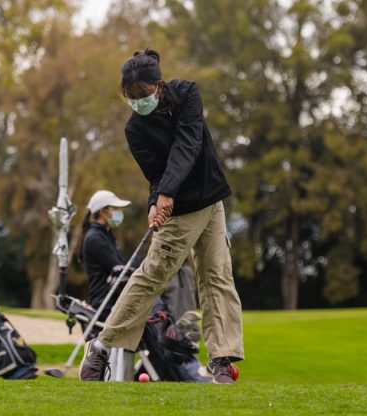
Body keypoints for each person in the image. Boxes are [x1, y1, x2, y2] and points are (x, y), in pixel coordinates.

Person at [79, 48, 244, 384]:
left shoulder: (187, 94)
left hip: (211, 201)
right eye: (132, 97)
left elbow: (189, 143)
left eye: (144, 94)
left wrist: (165, 191)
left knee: (217, 276)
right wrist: (157, 200)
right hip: (180, 212)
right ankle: (101, 345)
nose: (139, 101)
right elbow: (155, 173)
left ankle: (221, 358)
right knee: (151, 277)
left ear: (159, 85)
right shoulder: (135, 130)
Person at [79, 190, 132, 322]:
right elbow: (118, 269)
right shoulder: (95, 238)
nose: (118, 212)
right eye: (114, 208)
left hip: (114, 301)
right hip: (105, 304)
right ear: (103, 211)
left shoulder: (106, 234)